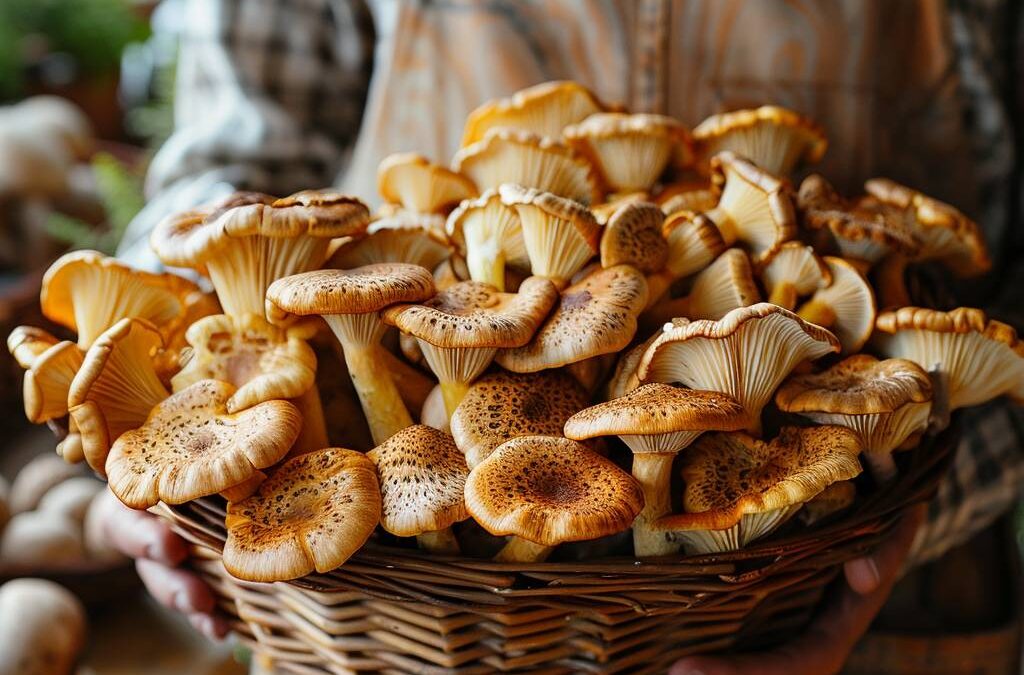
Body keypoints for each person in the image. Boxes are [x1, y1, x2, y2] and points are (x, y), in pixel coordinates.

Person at [107, 1, 1024, 673]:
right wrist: (165, 455)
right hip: (388, 627)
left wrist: (890, 507)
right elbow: (226, 180)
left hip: (890, 616)